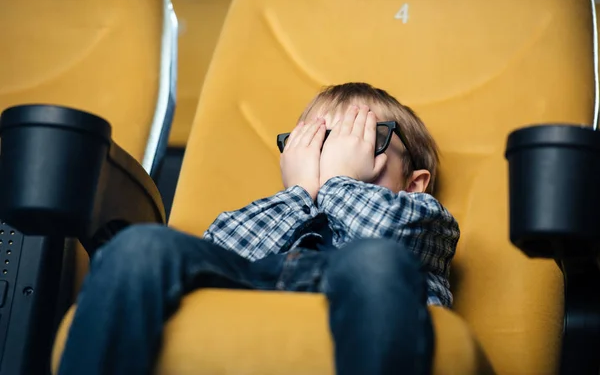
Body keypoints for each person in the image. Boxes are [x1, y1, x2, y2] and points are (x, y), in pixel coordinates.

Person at [58, 82, 460, 375]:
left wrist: (339, 180)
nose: (332, 157)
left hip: (363, 280)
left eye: (360, 140)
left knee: (375, 260)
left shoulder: (423, 215)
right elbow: (225, 247)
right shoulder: (287, 206)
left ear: (414, 182)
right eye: (317, 143)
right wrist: (302, 191)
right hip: (260, 281)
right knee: (140, 245)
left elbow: (388, 237)